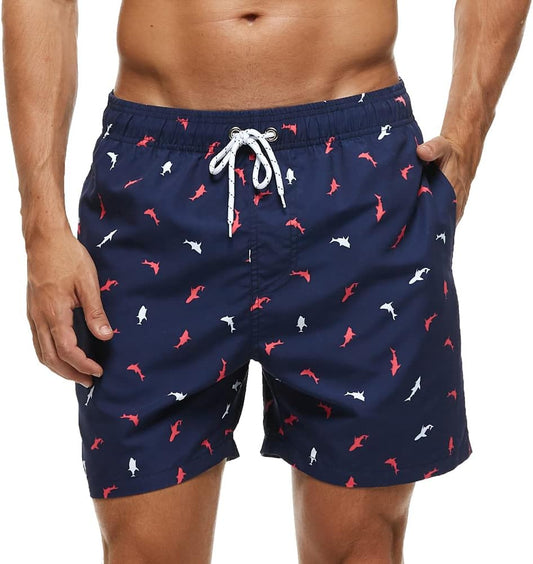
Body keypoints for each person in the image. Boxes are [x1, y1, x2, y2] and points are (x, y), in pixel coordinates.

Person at [2, 1, 530, 562]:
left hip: (356, 178)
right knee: (142, 551)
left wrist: (467, 136)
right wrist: (42, 228)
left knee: (361, 547)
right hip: (155, 184)